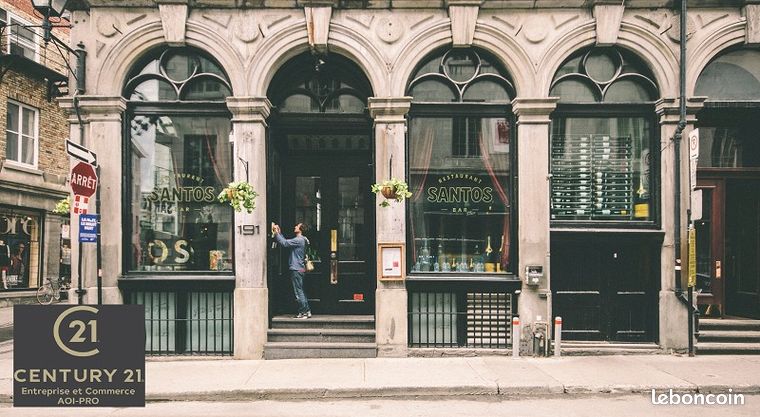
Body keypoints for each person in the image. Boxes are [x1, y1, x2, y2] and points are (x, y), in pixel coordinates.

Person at [273, 222, 311, 319]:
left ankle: (304, 312)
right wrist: (280, 233)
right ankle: (306, 311)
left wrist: (277, 233)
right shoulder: (304, 240)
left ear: (300, 229)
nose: (295, 227)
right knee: (301, 290)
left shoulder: (299, 240)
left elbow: (285, 243)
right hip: (300, 268)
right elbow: (286, 241)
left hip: (296, 268)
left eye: (297, 226)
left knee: (298, 291)